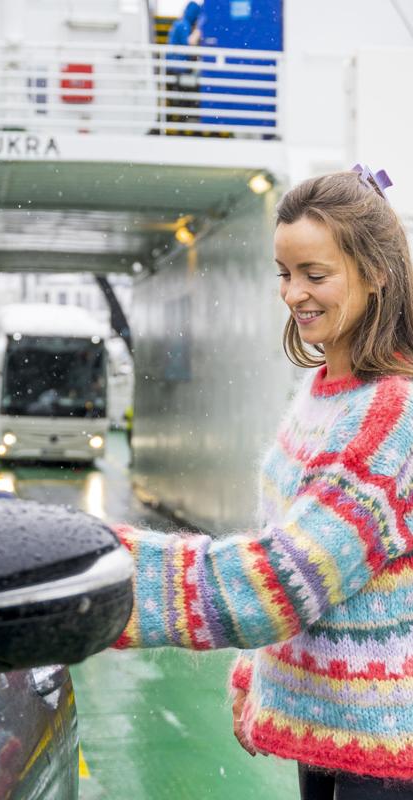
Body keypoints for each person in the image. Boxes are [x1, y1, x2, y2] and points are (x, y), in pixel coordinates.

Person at [113, 166, 413, 798]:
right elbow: (299, 543)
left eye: (315, 274)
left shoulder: (392, 416)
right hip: (331, 735)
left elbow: (287, 573)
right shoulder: (322, 394)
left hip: (387, 753)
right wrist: (261, 671)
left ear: (377, 273)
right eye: (284, 273)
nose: (293, 293)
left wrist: (107, 574)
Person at [165, 2, 203, 132]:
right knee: (193, 88)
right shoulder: (183, 25)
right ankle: (185, 119)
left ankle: (182, 118)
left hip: (174, 69)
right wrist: (198, 32)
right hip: (177, 70)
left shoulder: (179, 24)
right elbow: (189, 44)